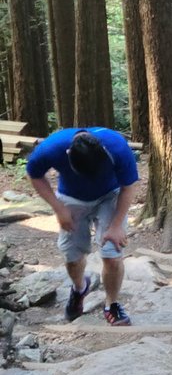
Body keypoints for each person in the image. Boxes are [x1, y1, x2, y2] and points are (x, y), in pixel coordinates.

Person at [26, 127, 140, 326]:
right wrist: (58, 208)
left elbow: (128, 186)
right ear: (68, 155)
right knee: (72, 257)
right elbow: (34, 174)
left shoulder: (117, 147)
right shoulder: (52, 147)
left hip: (110, 196)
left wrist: (116, 226)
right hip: (71, 198)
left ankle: (112, 304)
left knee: (112, 253)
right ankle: (79, 289)